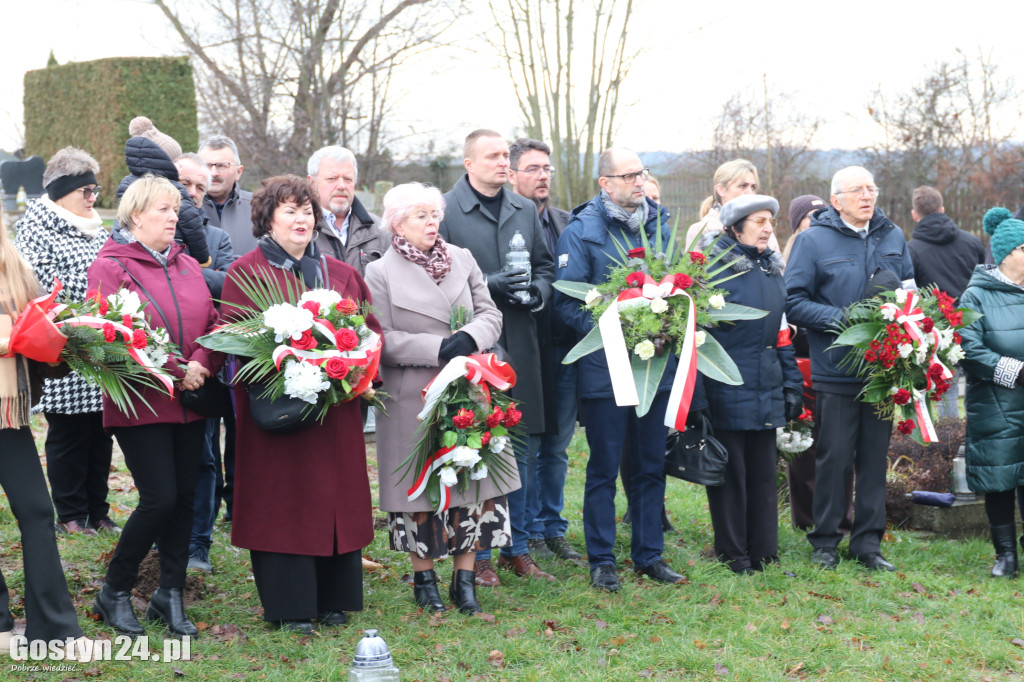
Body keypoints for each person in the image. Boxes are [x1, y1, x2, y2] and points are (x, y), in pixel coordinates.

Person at [220, 175, 379, 634]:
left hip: (336, 411)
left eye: (307, 211)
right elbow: (239, 340)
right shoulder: (246, 273)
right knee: (283, 504)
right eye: (289, 210)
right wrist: (294, 365)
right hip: (278, 412)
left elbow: (369, 332)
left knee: (334, 501)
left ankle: (334, 599)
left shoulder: (341, 273)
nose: (301, 219)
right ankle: (291, 607)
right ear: (267, 219)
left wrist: (357, 372)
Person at [365, 182, 518, 614]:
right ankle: (424, 580)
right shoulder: (379, 272)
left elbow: (491, 312)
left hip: (469, 388)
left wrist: (470, 336)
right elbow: (381, 338)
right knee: (422, 491)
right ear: (397, 223)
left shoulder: (462, 259)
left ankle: (464, 581)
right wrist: (434, 348)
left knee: (474, 480)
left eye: (435, 215)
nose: (432, 224)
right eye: (421, 216)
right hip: (415, 395)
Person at [88, 175, 222, 637]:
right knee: (160, 498)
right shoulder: (111, 266)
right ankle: (116, 589)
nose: (174, 217)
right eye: (164, 210)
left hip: (192, 400)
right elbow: (113, 334)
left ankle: (170, 594)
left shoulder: (186, 264)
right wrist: (174, 368)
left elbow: (213, 320)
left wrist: (202, 361)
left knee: (185, 499)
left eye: (176, 210)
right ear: (136, 215)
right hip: (142, 404)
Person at [555, 146, 686, 591]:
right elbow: (567, 303)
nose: (638, 181)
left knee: (650, 463)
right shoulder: (582, 230)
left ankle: (649, 554)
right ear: (605, 183)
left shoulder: (660, 225)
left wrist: (669, 324)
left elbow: (679, 287)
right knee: (604, 467)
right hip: (604, 367)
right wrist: (616, 329)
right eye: (628, 175)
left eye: (641, 173)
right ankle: (602, 559)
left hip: (655, 365)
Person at [439, 129, 555, 586]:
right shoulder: (445, 211)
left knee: (521, 446)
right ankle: (478, 552)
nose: (501, 163)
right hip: (472, 346)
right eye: (491, 156)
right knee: (475, 447)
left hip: (520, 339)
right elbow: (438, 279)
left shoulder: (524, 208)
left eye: (505, 155)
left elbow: (545, 265)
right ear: (468, 163)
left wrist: (538, 293)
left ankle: (519, 547)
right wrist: (489, 284)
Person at [785, 166, 914, 571]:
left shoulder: (892, 236)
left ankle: (868, 544)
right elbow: (794, 301)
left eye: (871, 188)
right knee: (834, 458)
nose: (867, 195)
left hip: (882, 372)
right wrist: (846, 320)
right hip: (836, 368)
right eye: (857, 189)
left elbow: (910, 293)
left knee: (874, 459)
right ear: (836, 199)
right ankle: (825, 541)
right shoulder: (812, 241)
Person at [0, 219, 92, 659]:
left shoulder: (16, 267)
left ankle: (54, 630)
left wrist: (58, 345)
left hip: (7, 415)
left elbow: (46, 345)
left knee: (37, 512)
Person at [13, 146, 116, 536]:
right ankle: (72, 513)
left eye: (95, 190)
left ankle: (99, 510)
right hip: (64, 346)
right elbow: (42, 289)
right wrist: (91, 305)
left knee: (101, 431)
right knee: (69, 434)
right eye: (85, 191)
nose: (93, 199)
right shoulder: (37, 229)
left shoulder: (96, 227)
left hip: (101, 341)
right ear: (61, 192)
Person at [697, 195, 803, 573]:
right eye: (757, 221)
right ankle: (734, 555)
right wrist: (698, 398)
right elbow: (695, 337)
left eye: (769, 221)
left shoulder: (772, 269)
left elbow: (780, 331)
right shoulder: (712, 269)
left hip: (766, 385)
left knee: (762, 476)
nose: (767, 227)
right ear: (734, 227)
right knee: (730, 477)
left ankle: (765, 554)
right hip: (725, 386)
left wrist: (791, 383)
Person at [506, 137, 582, 564]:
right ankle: (527, 529)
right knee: (529, 444)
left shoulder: (564, 222)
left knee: (557, 445)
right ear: (512, 174)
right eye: (533, 168)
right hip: (525, 351)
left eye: (546, 169)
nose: (542, 176)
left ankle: (553, 527)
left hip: (565, 347)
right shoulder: (509, 221)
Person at [175, 153, 237, 574]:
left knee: (204, 458)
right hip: (155, 365)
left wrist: (186, 274)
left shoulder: (215, 239)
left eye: (199, 187)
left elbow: (231, 287)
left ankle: (198, 544)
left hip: (203, 363)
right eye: (186, 184)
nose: (193, 194)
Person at [781, 195, 853, 532]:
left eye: (825, 213)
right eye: (812, 215)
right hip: (803, 365)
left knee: (840, 448)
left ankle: (842, 514)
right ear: (797, 225)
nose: (821, 219)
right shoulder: (787, 261)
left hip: (836, 364)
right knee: (805, 448)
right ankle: (808, 518)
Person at [959, 208, 1024, 578]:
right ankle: (1005, 556)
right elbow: (970, 349)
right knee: (999, 476)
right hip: (996, 403)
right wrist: (1016, 372)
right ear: (1009, 253)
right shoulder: (976, 296)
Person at [908, 186, 985, 420]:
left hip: (939, 334)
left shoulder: (911, 250)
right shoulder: (972, 242)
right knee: (980, 390)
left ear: (914, 214)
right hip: (976, 327)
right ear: (942, 209)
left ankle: (949, 449)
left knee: (946, 391)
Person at [116, 116, 211, 267]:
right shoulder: (174, 188)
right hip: (172, 254)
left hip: (132, 256)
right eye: (175, 161)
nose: (178, 167)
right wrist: (203, 258)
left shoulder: (126, 184)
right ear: (164, 160)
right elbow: (193, 226)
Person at [307, 145, 389, 275]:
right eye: (332, 179)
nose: (341, 186)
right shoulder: (300, 228)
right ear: (312, 183)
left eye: (347, 179)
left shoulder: (380, 230)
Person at [684, 159, 779, 253]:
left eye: (753, 187)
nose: (750, 193)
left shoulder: (763, 228)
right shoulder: (701, 230)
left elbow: (779, 267)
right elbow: (693, 267)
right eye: (742, 186)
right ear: (721, 190)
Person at [199, 135, 255, 255]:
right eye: (206, 166)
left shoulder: (260, 207)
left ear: (238, 172)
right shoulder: (182, 208)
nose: (213, 173)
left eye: (222, 165)